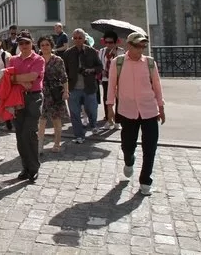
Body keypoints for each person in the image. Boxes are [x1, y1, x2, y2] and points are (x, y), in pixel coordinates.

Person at [106, 32, 165, 196]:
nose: (141, 48)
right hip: (127, 110)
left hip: (149, 110)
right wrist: (110, 106)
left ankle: (145, 181)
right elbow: (111, 85)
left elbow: (157, 86)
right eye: (138, 45)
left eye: (143, 46)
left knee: (150, 147)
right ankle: (129, 160)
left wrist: (161, 107)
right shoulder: (118, 62)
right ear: (129, 45)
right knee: (127, 145)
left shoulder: (150, 63)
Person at [8, 31, 45, 182]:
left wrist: (16, 79)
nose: (24, 46)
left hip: (34, 98)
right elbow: (8, 78)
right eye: (21, 43)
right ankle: (26, 168)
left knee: (29, 133)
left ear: (32, 43)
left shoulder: (38, 59)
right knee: (20, 135)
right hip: (17, 98)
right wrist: (22, 81)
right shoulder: (13, 60)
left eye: (26, 43)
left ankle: (34, 168)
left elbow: (33, 77)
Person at [62, 28, 104, 143]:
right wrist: (65, 86)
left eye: (80, 38)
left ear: (84, 38)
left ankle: (93, 124)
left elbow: (100, 67)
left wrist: (91, 70)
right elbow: (64, 71)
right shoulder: (68, 53)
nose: (77, 40)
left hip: (89, 87)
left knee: (92, 110)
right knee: (74, 114)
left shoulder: (91, 51)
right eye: (75, 38)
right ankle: (79, 135)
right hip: (73, 88)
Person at [37, 36, 69, 154]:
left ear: (51, 46)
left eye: (47, 44)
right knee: (41, 120)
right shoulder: (37, 59)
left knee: (56, 119)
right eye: (42, 45)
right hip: (41, 92)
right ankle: (40, 145)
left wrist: (66, 91)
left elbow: (64, 77)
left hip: (55, 92)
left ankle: (57, 143)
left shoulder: (58, 60)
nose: (45, 47)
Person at [98, 30, 125, 129]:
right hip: (106, 78)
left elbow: (123, 64)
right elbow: (99, 64)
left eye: (111, 42)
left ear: (115, 42)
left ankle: (118, 120)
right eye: (107, 42)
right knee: (107, 99)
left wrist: (115, 55)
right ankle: (108, 119)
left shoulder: (121, 51)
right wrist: (102, 71)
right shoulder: (102, 51)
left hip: (118, 78)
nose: (109, 44)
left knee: (118, 99)